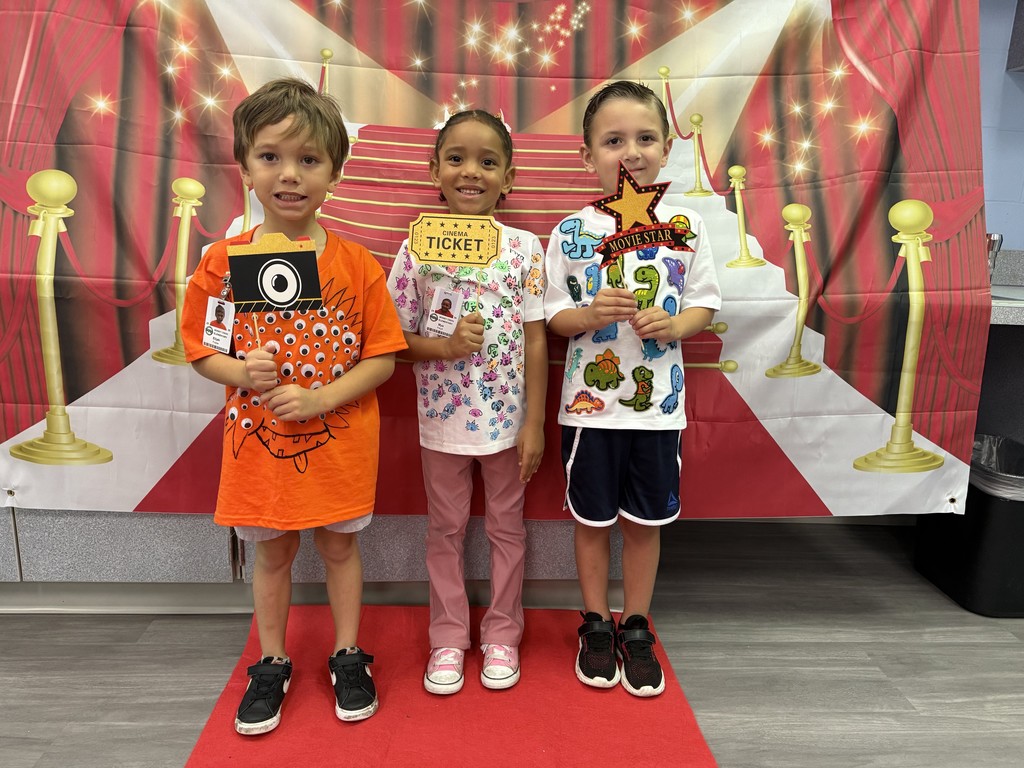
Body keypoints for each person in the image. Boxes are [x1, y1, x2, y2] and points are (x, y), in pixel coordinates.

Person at [180, 77, 406, 733]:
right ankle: (272, 660)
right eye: (271, 157)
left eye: (308, 160)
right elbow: (201, 351)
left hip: (340, 446)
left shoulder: (358, 264)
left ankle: (347, 652)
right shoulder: (223, 262)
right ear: (245, 164)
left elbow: (383, 355)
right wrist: (241, 371)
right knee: (272, 554)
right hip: (259, 449)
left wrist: (322, 398)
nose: (290, 175)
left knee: (340, 549)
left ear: (334, 171)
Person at [544, 81, 721, 697]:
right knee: (591, 521)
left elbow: (704, 304)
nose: (631, 151)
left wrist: (675, 326)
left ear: (668, 146)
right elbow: (552, 318)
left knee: (646, 523)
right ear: (588, 155)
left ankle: (637, 624)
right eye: (613, 140)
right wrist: (590, 314)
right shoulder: (571, 230)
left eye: (645, 138)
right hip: (590, 411)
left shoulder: (686, 223)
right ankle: (595, 624)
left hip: (657, 412)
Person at [387, 110, 547, 695]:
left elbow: (535, 338)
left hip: (507, 424)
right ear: (435, 170)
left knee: (509, 528)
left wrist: (534, 421)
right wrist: (446, 346)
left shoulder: (527, 249)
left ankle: (502, 633)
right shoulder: (416, 247)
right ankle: (448, 638)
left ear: (509, 178)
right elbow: (393, 340)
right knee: (445, 528)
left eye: (487, 161)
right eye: (456, 158)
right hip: (442, 420)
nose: (470, 171)